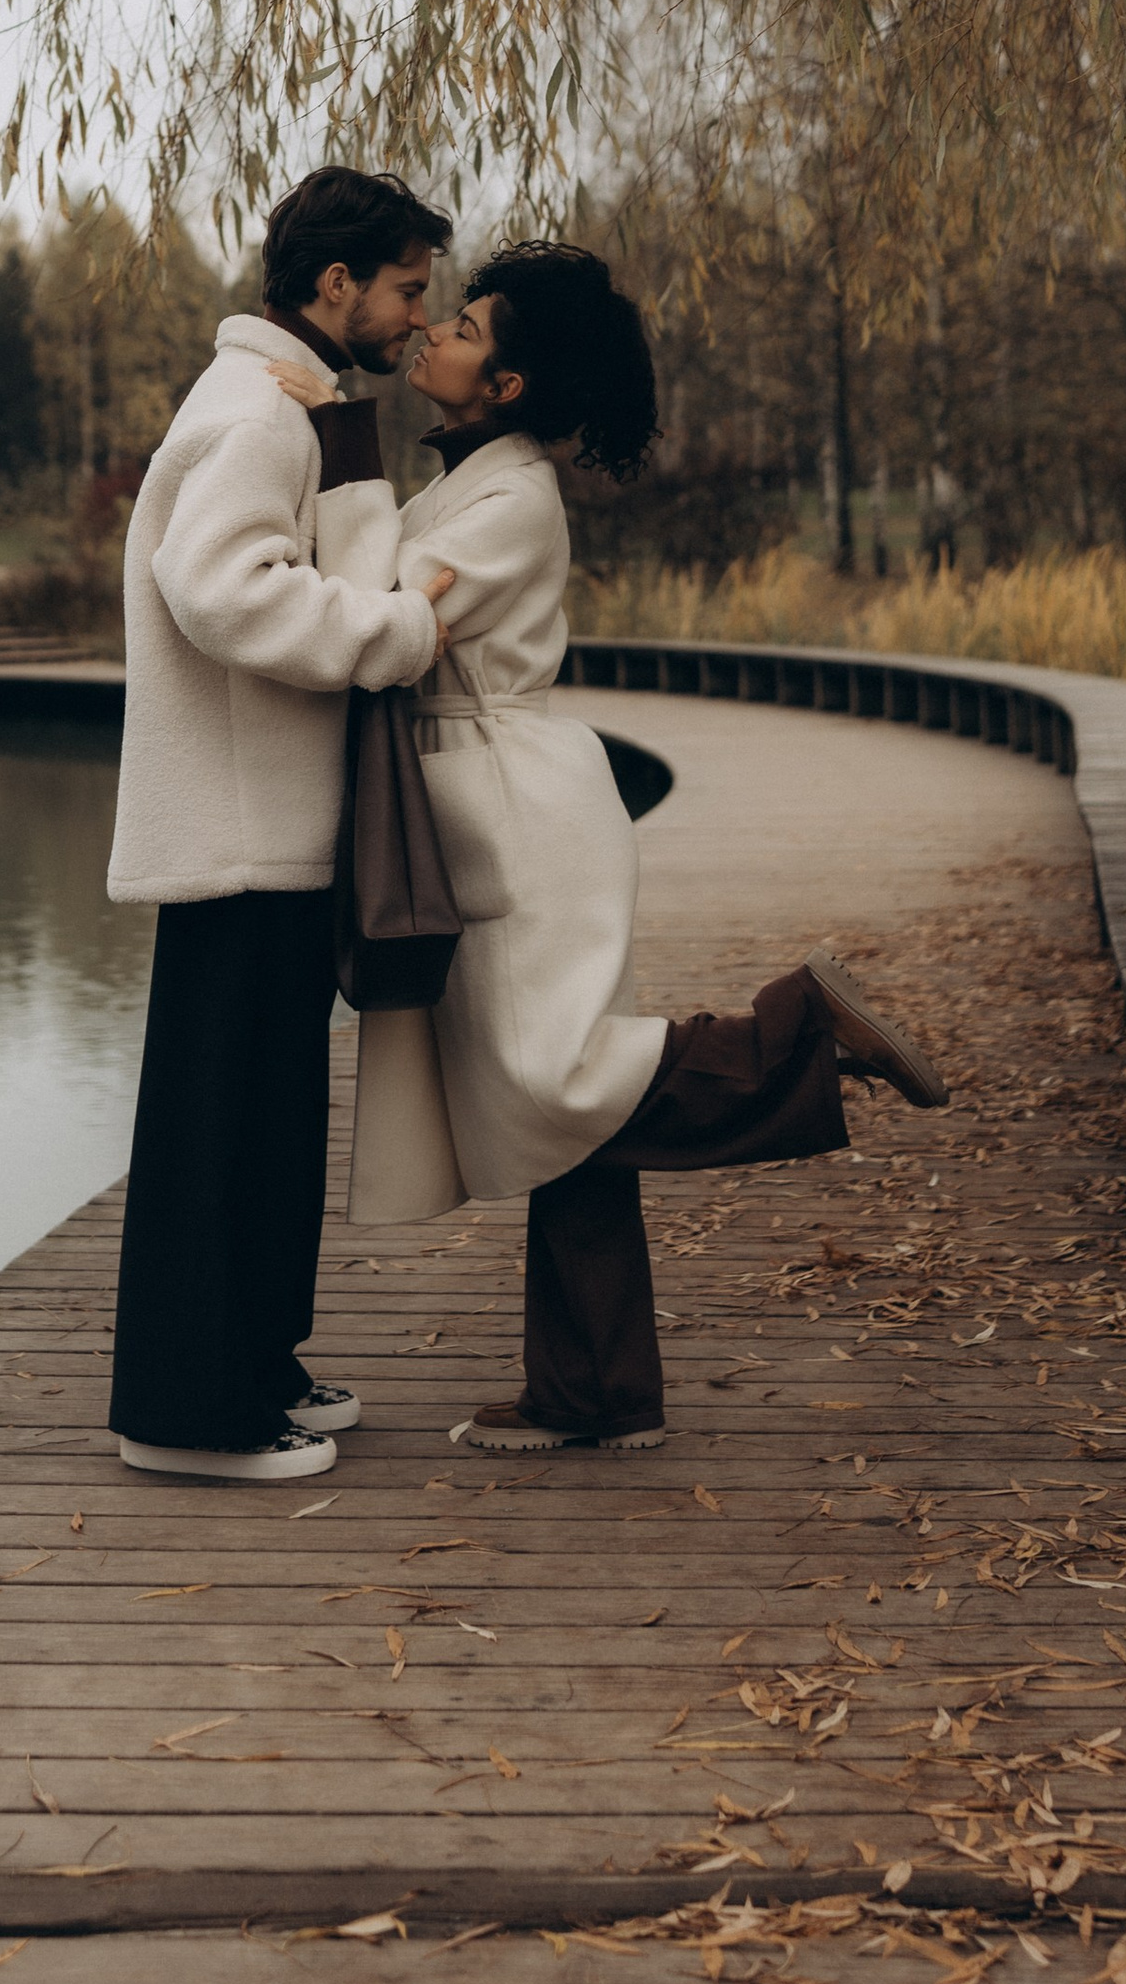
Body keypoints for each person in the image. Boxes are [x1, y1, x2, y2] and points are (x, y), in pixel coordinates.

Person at [285, 242, 946, 1455]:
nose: (433, 333)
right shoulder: (473, 478)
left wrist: (334, 441)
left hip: (515, 807)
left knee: (556, 1085)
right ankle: (594, 1392)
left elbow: (377, 609)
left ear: (510, 386)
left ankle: (794, 1031)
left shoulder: (510, 501)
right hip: (483, 795)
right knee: (551, 1117)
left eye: (467, 326)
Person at [104, 165, 458, 1482]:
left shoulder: (301, 402)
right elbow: (220, 588)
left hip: (273, 830)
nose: (422, 318)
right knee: (219, 1131)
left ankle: (251, 1367)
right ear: (337, 285)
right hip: (241, 838)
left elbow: (323, 545)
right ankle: (188, 1417)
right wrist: (398, 635)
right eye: (409, 291)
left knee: (263, 1125)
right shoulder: (260, 412)